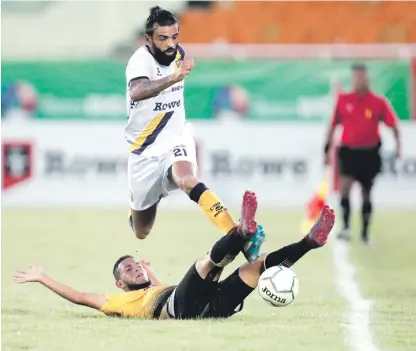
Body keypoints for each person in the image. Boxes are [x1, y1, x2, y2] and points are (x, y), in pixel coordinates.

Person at [12, 195, 336, 320]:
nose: (135, 267)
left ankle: (309, 242)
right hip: (179, 309)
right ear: (119, 283)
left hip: (212, 310)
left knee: (257, 267)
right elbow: (80, 296)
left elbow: (161, 285)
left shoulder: (155, 285)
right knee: (204, 264)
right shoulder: (118, 303)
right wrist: (43, 277)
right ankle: (240, 232)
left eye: (135, 263)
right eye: (128, 268)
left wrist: (151, 274)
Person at [124, 6, 261, 260]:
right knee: (142, 231)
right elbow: (137, 90)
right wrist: (175, 78)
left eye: (174, 37)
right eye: (162, 38)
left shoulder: (179, 54)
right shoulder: (140, 60)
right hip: (144, 153)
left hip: (176, 137)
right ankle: (142, 209)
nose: (170, 44)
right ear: (148, 40)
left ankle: (238, 235)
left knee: (187, 180)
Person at [324, 63, 401, 244]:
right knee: (345, 188)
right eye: (356, 77)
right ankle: (346, 228)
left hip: (369, 153)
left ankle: (365, 233)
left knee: (367, 192)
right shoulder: (343, 100)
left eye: (362, 76)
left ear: (367, 78)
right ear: (353, 78)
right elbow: (333, 125)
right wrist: (327, 150)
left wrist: (399, 147)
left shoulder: (378, 102)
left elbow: (393, 125)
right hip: (348, 151)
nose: (359, 80)